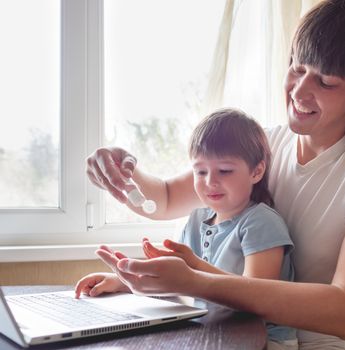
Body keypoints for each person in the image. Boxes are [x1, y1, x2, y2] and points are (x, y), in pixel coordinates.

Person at [85, 0, 345, 349]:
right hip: (253, 337)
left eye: (325, 81)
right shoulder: (266, 146)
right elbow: (164, 198)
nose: (298, 92)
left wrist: (193, 281)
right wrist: (122, 173)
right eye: (296, 68)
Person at [76, 109, 297, 348]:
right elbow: (173, 282)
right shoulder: (195, 220)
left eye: (224, 171)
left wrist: (192, 268)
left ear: (257, 171)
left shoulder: (261, 222)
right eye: (200, 171)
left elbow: (259, 297)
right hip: (214, 332)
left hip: (265, 339)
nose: (210, 181)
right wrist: (123, 280)